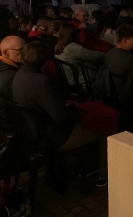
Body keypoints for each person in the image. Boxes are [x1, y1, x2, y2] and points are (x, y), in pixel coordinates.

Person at [12, 42, 109, 186]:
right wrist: (75, 109)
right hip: (55, 136)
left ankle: (91, 164)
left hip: (35, 131)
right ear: (45, 62)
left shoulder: (19, 74)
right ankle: (103, 175)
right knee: (106, 130)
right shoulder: (41, 81)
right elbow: (61, 118)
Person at [0, 36, 26, 134]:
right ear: (6, 53)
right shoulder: (11, 78)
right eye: (21, 49)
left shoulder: (6, 68)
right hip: (22, 129)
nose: (26, 52)